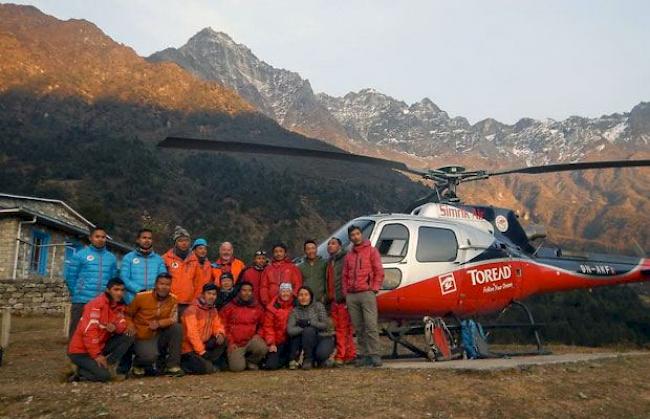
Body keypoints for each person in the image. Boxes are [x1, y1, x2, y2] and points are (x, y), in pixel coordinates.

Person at [67, 278, 133, 382]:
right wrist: (97, 355)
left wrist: (115, 327)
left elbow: (122, 324)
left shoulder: (118, 306)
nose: (120, 293)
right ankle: (78, 370)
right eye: (116, 290)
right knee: (104, 377)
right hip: (81, 351)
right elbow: (89, 332)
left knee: (130, 335)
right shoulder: (96, 305)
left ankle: (108, 365)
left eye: (122, 290)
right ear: (108, 290)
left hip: (100, 345)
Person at [125, 272, 183, 377]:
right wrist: (130, 325)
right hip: (143, 335)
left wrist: (159, 323)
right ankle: (137, 364)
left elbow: (173, 319)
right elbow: (127, 314)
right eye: (161, 284)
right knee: (150, 356)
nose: (164, 287)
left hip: (160, 333)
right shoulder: (141, 297)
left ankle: (172, 366)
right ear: (155, 284)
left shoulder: (174, 299)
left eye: (167, 284)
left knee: (177, 328)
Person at [342, 225, 385, 367]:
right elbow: (345, 275)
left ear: (361, 235)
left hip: (367, 293)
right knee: (358, 327)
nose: (355, 237)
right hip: (352, 295)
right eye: (352, 235)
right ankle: (364, 354)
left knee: (371, 325)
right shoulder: (349, 255)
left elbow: (379, 271)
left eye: (357, 234)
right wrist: (346, 293)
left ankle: (375, 354)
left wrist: (374, 288)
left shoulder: (372, 252)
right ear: (350, 238)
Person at [64, 226, 118, 337]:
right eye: (97, 236)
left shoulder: (111, 258)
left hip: (102, 301)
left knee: (98, 332)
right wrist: (77, 293)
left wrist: (108, 297)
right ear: (90, 238)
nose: (100, 239)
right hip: (82, 300)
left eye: (103, 237)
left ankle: (95, 354)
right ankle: (74, 353)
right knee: (77, 331)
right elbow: (71, 277)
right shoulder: (80, 255)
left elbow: (113, 280)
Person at [180, 283, 227, 375]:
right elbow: (192, 334)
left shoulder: (213, 309)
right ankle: (183, 364)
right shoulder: (192, 310)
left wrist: (220, 333)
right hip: (189, 348)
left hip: (204, 344)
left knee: (223, 340)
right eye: (209, 293)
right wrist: (202, 351)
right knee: (207, 369)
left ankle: (207, 361)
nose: (211, 296)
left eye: (214, 294)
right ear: (202, 294)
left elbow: (217, 325)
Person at [220, 282, 268, 372]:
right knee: (237, 368)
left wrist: (258, 335)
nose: (247, 293)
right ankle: (239, 360)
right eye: (244, 290)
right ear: (239, 292)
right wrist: (230, 342)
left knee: (262, 348)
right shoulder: (229, 307)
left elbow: (263, 324)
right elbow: (222, 326)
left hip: (250, 341)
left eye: (250, 291)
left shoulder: (257, 307)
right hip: (236, 344)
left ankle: (251, 361)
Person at [286, 286, 334, 370]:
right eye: (301, 295)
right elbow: (290, 330)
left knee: (321, 355)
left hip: (323, 336)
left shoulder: (318, 306)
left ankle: (322, 360)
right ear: (297, 297)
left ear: (311, 296)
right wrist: (303, 327)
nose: (303, 297)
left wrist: (310, 323)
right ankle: (308, 359)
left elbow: (325, 325)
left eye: (306, 295)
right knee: (308, 331)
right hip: (307, 339)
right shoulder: (295, 311)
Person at [326, 237, 356, 366]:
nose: (330, 246)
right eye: (328, 244)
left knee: (342, 329)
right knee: (343, 329)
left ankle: (341, 355)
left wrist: (346, 295)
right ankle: (350, 354)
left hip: (342, 299)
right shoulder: (330, 261)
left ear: (339, 246)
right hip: (334, 300)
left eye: (333, 244)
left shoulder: (345, 259)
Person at [162, 226, 202, 317]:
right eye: (180, 240)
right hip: (169, 302)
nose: (184, 243)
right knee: (169, 329)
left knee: (186, 330)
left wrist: (195, 302)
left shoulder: (194, 260)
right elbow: (160, 281)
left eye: (186, 240)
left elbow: (198, 283)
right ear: (175, 242)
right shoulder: (165, 258)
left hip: (189, 304)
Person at [120, 228, 167, 305]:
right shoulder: (128, 258)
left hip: (153, 300)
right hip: (132, 300)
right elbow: (124, 278)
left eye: (149, 238)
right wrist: (139, 290)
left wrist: (154, 291)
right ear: (138, 240)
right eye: (144, 238)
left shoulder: (159, 259)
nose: (147, 240)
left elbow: (163, 278)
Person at [261, 283, 295, 370]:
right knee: (271, 366)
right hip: (277, 341)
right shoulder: (272, 307)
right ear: (279, 292)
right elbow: (268, 327)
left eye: (288, 291)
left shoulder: (296, 305)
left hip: (291, 339)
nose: (285, 294)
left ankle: (292, 358)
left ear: (291, 293)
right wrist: (271, 343)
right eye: (283, 291)